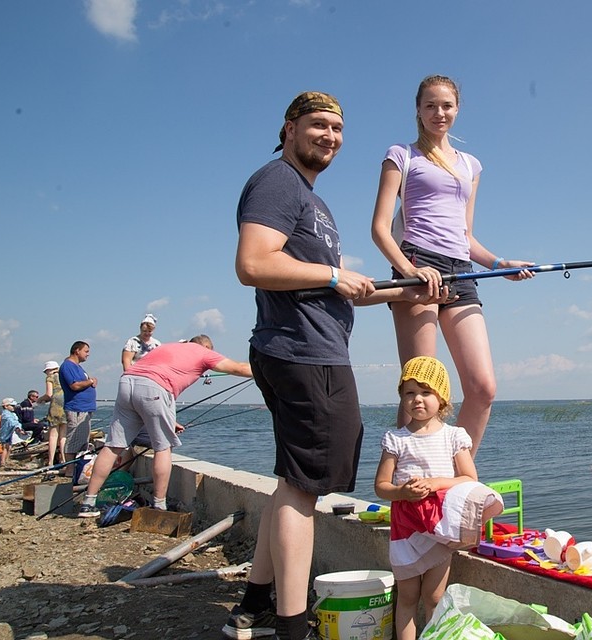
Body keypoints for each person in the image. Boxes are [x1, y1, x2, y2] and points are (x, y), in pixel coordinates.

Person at [223, 91, 451, 640]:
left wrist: (401, 286)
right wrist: (331, 276)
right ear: (289, 128)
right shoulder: (277, 181)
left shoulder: (312, 202)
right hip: (304, 354)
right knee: (304, 491)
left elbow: (339, 289)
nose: (329, 136)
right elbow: (253, 264)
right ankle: (293, 625)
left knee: (292, 482)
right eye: (318, 125)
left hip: (304, 348)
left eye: (337, 129)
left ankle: (253, 603)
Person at [370, 74, 534, 455]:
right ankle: (405, 489)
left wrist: (499, 264)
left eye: (446, 105)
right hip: (417, 265)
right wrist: (409, 273)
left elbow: (465, 236)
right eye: (430, 105)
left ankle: (453, 477)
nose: (438, 112)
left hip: (461, 271)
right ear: (418, 111)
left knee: (482, 388)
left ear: (457, 109)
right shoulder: (402, 155)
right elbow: (380, 229)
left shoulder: (470, 166)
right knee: (419, 390)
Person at [374, 356, 503, 640]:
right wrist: (402, 493)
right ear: (401, 398)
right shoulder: (396, 439)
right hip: (405, 526)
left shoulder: (454, 437)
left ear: (441, 398)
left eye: (426, 392)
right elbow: (381, 486)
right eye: (409, 392)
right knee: (407, 596)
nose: (417, 399)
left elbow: (470, 478)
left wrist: (436, 484)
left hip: (439, 526)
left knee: (434, 596)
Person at [78, 335, 253, 518]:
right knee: (162, 447)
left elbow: (147, 391)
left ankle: (88, 502)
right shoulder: (203, 352)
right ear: (207, 346)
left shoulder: (168, 347)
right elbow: (239, 368)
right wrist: (271, 370)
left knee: (113, 445)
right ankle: (159, 506)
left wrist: (169, 419)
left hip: (127, 382)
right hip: (155, 388)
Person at [58, 341, 97, 464]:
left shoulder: (78, 367)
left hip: (85, 408)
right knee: (74, 438)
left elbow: (84, 381)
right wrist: (90, 381)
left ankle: (78, 466)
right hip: (77, 408)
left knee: (82, 439)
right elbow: (75, 385)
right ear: (77, 350)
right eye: (86, 351)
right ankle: (70, 468)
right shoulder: (68, 365)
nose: (88, 354)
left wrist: (92, 380)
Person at [39, 361, 66, 466]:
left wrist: (40, 400)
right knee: (63, 436)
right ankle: (64, 460)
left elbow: (49, 394)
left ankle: (50, 462)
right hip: (66, 404)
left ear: (48, 370)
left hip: (55, 406)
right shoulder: (64, 375)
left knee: (53, 436)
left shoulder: (50, 377)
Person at [0, 398, 29, 466]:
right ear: (6, 406)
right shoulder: (6, 414)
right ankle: (2, 461)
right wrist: (18, 428)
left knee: (9, 447)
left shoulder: (12, 414)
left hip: (10, 433)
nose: (14, 407)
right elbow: (12, 422)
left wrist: (19, 429)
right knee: (5, 448)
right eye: (12, 406)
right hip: (5, 433)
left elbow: (16, 423)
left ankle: (7, 460)